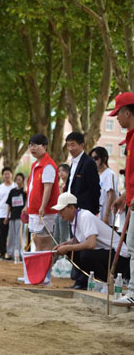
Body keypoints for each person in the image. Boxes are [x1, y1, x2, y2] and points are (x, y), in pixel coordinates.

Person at [53, 192, 129, 290]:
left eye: (62, 210)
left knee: (85, 255)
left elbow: (91, 243)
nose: (59, 213)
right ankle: (97, 279)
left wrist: (67, 247)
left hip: (120, 257)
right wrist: (64, 244)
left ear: (72, 208)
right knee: (72, 252)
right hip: (107, 253)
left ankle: (106, 281)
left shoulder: (85, 216)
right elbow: (79, 239)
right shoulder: (75, 220)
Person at [110, 92, 134, 306]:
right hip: (131, 202)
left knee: (133, 246)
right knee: (132, 245)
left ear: (127, 112)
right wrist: (125, 196)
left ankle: (133, 291)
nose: (116, 118)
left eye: (118, 114)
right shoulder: (131, 138)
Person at [25, 134, 60, 252]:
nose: (32, 148)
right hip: (33, 211)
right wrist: (27, 206)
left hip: (45, 212)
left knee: (45, 243)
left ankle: (46, 264)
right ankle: (39, 263)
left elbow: (48, 188)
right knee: (37, 242)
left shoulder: (48, 165)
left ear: (44, 147)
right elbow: (31, 188)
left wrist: (43, 206)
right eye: (30, 145)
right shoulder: (35, 165)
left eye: (35, 145)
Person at [64, 132, 100, 214]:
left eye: (73, 145)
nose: (70, 148)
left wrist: (94, 211)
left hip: (83, 209)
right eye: (68, 145)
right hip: (70, 209)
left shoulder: (89, 162)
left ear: (82, 145)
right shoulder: (73, 162)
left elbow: (95, 188)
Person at [89, 146, 119, 226]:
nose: (93, 161)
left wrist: (106, 216)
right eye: (91, 158)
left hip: (107, 219)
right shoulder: (98, 175)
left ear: (104, 159)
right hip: (98, 216)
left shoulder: (109, 174)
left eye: (96, 158)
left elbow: (111, 195)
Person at [0, 167, 16, 260]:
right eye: (5, 174)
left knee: (12, 234)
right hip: (2, 214)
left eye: (8, 174)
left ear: (12, 175)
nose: (7, 176)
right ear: (2, 176)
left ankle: (12, 253)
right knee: (2, 234)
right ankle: (2, 253)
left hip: (13, 214)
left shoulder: (15, 186)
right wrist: (3, 206)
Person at [6, 172, 26, 261]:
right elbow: (9, 205)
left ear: (23, 180)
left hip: (21, 217)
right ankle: (10, 254)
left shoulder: (24, 191)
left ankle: (19, 254)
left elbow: (26, 192)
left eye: (20, 179)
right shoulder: (12, 191)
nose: (18, 181)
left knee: (19, 236)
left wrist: (25, 184)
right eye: (17, 179)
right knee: (11, 236)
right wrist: (7, 216)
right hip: (12, 216)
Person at [54, 164, 72, 246]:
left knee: (64, 236)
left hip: (66, 211)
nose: (61, 173)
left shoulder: (70, 185)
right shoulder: (61, 185)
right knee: (56, 235)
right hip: (59, 212)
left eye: (63, 171)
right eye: (59, 171)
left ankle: (64, 252)